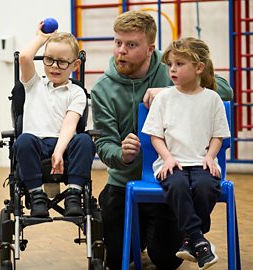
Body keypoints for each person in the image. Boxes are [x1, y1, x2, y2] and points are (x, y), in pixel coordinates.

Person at [91, 10, 233, 270]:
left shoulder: (173, 66)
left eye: (131, 45)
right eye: (117, 42)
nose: (121, 50)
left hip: (170, 180)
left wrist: (173, 90)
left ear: (150, 49)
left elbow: (224, 89)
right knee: (115, 260)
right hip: (124, 182)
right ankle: (139, 236)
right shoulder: (102, 89)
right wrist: (122, 154)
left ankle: (162, 236)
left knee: (167, 261)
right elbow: (103, 143)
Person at [142, 37, 230, 270]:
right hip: (172, 163)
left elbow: (218, 135)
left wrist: (211, 156)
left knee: (206, 187)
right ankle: (199, 241)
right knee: (178, 187)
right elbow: (155, 136)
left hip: (202, 162)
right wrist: (168, 158)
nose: (172, 69)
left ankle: (192, 239)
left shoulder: (212, 99)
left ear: (199, 68)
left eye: (179, 64)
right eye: (170, 64)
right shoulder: (164, 98)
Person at [14, 22, 95, 218]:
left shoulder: (77, 92)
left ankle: (74, 194)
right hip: (36, 145)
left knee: (84, 140)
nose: (54, 66)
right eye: (49, 60)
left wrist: (59, 150)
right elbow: (25, 57)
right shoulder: (34, 84)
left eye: (62, 62)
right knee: (23, 140)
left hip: (65, 146)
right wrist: (42, 38)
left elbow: (70, 123)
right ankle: (36, 195)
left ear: (75, 65)